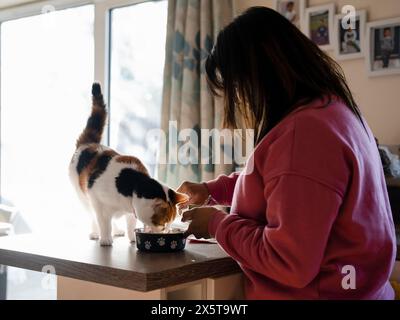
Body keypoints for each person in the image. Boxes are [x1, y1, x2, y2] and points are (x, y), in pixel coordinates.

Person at [177, 7, 396, 300]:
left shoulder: (303, 135)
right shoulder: (334, 112)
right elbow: (286, 184)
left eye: (237, 87)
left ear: (256, 78)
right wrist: (212, 190)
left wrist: (216, 224)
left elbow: (288, 262)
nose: (240, 99)